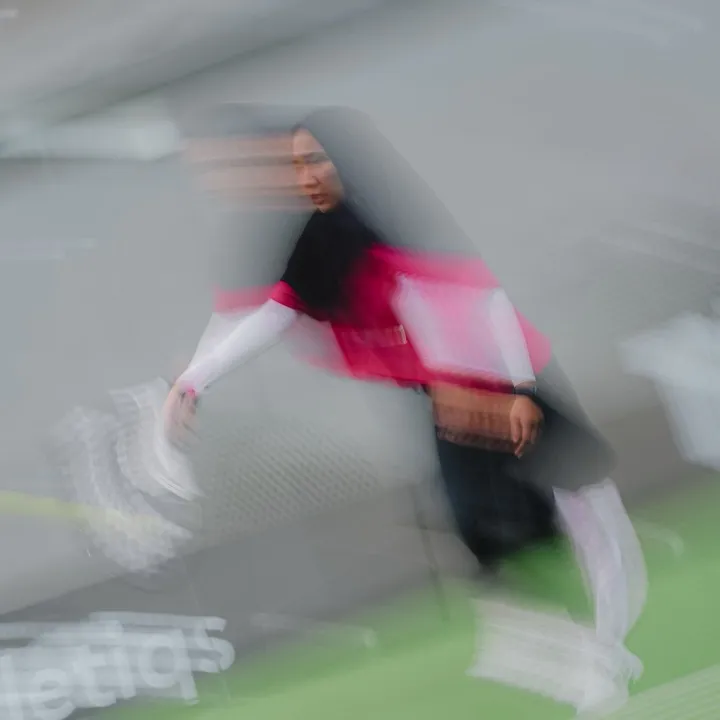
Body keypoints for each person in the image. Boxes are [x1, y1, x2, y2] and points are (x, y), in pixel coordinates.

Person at [165, 107, 647, 703]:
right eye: (297, 165)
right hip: (450, 400)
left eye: (316, 160)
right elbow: (265, 315)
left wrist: (516, 390)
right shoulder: (315, 243)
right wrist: (194, 381)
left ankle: (607, 649)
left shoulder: (363, 230)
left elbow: (477, 301)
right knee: (486, 547)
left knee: (589, 507)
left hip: (496, 380)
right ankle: (584, 662)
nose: (307, 175)